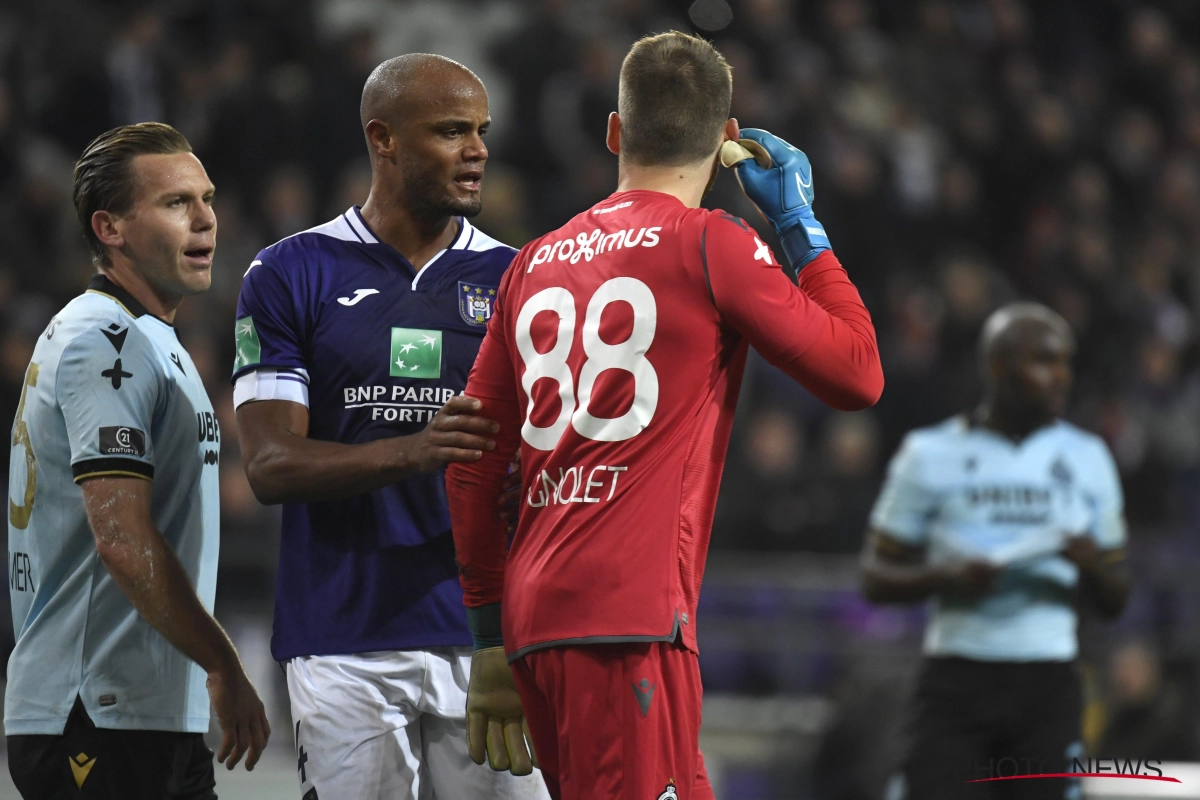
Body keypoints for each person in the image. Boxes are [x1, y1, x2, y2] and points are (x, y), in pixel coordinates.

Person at [447, 31, 884, 800]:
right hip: (629, 621)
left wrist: (488, 640)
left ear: (615, 131)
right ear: (726, 143)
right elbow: (858, 375)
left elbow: (473, 461)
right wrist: (798, 226)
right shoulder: (713, 243)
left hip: (536, 621)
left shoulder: (532, 261)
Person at [232, 54, 547, 800]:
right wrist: (418, 449)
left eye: (481, 131)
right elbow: (271, 465)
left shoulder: (521, 279)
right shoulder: (288, 272)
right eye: (450, 131)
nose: (477, 151)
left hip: (490, 639)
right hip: (344, 638)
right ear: (385, 139)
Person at [6, 122, 269, 799]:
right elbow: (121, 539)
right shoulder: (103, 341)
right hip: (94, 710)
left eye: (207, 198)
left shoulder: (150, 338)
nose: (207, 218)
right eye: (177, 203)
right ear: (110, 228)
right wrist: (223, 664)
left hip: (144, 711)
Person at [861, 302, 1131, 799]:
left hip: (1048, 683)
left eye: (1065, 363)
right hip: (956, 679)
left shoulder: (1088, 458)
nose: (1060, 377)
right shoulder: (929, 455)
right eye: (1044, 361)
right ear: (999, 367)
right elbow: (875, 578)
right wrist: (947, 577)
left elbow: (1117, 598)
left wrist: (1090, 563)